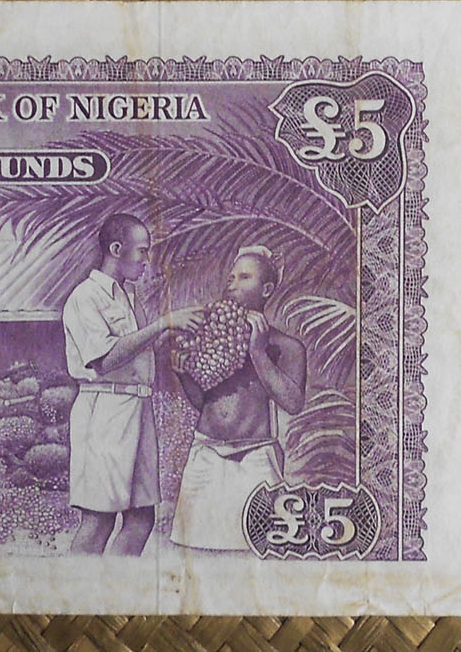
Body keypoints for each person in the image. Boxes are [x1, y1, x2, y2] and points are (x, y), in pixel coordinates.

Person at [63, 212, 201, 555]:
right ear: (116, 250)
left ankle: (117, 584)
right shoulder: (85, 297)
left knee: (141, 518)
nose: (146, 260)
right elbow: (105, 359)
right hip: (104, 414)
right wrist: (162, 324)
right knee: (99, 519)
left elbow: (136, 352)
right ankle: (75, 585)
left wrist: (172, 338)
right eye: (142, 251)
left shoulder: (126, 295)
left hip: (138, 409)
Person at [169, 245, 307, 552]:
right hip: (205, 454)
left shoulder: (286, 346)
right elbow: (201, 402)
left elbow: (293, 403)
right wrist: (184, 376)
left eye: (245, 277)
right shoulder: (210, 340)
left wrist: (257, 353)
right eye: (231, 277)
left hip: (255, 458)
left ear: (266, 289)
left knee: (256, 551)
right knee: (195, 555)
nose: (232, 284)